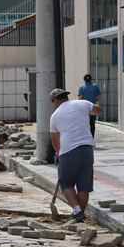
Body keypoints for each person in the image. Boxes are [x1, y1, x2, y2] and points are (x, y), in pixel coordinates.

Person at [49, 88, 99, 222]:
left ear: (54, 101)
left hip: (68, 151)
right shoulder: (82, 104)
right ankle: (79, 214)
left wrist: (58, 154)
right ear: (66, 97)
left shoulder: (55, 116)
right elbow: (97, 109)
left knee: (66, 183)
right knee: (84, 185)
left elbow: (55, 140)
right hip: (87, 149)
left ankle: (76, 210)